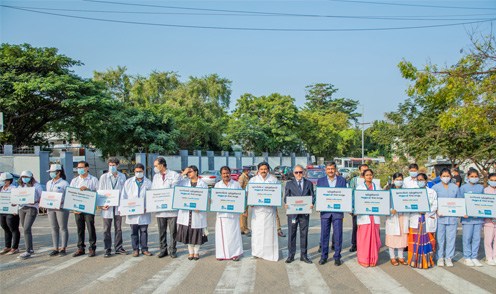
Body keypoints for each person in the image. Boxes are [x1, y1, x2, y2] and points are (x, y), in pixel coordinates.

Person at [249, 162, 280, 261]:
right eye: (261, 169)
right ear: (258, 170)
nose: (263, 171)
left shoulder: (273, 180)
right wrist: (250, 202)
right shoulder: (253, 180)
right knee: (257, 232)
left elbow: (279, 193)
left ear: (268, 170)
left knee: (269, 232)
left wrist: (274, 201)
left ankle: (269, 253)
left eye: (265, 169)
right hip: (257, 212)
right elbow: (248, 193)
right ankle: (256, 252)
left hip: (269, 211)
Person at [317, 161, 347, 266]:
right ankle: (324, 256)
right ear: (325, 169)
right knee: (324, 235)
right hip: (325, 212)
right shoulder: (320, 181)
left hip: (337, 212)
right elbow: (318, 195)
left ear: (335, 169)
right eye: (328, 168)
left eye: (332, 168)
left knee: (338, 235)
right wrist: (318, 205)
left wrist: (346, 206)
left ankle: (337, 256)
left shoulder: (342, 181)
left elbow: (345, 195)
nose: (330, 170)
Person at [176, 165, 209, 260]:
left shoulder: (202, 183)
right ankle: (190, 252)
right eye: (188, 172)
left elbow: (205, 197)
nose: (189, 173)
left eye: (190, 171)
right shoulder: (184, 182)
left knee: (197, 233)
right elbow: (175, 183)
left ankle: (196, 252)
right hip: (186, 212)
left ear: (196, 172)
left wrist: (201, 206)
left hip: (197, 212)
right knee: (188, 232)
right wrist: (183, 173)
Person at [284, 164, 314, 264]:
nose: (298, 174)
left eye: (300, 172)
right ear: (293, 174)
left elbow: (312, 196)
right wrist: (286, 203)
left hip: (304, 213)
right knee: (291, 234)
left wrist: (312, 204)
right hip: (293, 213)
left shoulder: (309, 183)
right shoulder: (289, 184)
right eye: (296, 172)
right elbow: (286, 197)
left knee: (304, 234)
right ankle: (291, 255)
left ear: (303, 172)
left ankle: (303, 255)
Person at [152, 157, 181, 259]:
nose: (155, 168)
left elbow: (176, 190)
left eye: (156, 166)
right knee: (161, 231)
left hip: (172, 209)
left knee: (173, 231)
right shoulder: (156, 177)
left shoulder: (174, 175)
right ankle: (163, 250)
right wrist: (153, 206)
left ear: (162, 165)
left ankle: (173, 250)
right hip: (160, 210)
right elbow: (153, 192)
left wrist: (173, 204)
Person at [122, 163, 153, 257]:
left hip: (144, 212)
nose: (138, 173)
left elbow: (151, 197)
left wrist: (146, 208)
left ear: (144, 171)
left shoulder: (148, 183)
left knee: (144, 231)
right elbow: (124, 196)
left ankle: (144, 249)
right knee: (133, 232)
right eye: (136, 172)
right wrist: (123, 209)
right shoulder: (128, 182)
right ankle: (135, 249)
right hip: (132, 212)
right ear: (134, 172)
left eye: (140, 171)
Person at [98, 157, 127, 258]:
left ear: (117, 166)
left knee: (118, 228)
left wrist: (124, 206)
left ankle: (118, 247)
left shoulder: (122, 176)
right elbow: (100, 191)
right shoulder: (104, 177)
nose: (112, 167)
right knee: (106, 229)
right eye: (110, 165)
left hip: (118, 206)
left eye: (113, 165)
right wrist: (101, 205)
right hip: (107, 207)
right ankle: (107, 249)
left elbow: (124, 192)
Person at [432, 168, 461, 267]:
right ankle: (439, 257)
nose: (446, 178)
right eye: (443, 176)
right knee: (440, 238)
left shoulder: (455, 188)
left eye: (447, 176)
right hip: (440, 218)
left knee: (451, 238)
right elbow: (433, 202)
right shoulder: (435, 188)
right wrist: (437, 211)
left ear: (450, 176)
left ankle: (449, 257)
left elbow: (459, 202)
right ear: (440, 177)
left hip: (452, 218)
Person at [408, 173, 437, 269]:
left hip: (427, 218)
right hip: (416, 218)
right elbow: (409, 204)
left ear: (425, 181)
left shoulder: (432, 192)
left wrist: (425, 212)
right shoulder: (413, 192)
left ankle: (427, 262)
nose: (420, 182)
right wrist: (417, 210)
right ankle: (414, 261)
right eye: (418, 180)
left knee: (429, 241)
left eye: (422, 180)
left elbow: (435, 206)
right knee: (415, 241)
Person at [214, 166, 244, 261]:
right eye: (223, 173)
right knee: (221, 235)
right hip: (222, 215)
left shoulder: (236, 185)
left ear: (230, 173)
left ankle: (235, 254)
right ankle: (221, 254)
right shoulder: (217, 185)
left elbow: (240, 198)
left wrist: (241, 207)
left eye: (227, 173)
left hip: (233, 215)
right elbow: (215, 199)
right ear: (221, 174)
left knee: (234, 235)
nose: (226, 175)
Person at [71, 161, 99, 257]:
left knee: (90, 227)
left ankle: (92, 248)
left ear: (87, 168)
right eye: (78, 167)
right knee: (80, 229)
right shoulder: (74, 181)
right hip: (77, 209)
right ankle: (80, 248)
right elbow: (71, 195)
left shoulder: (93, 180)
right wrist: (73, 208)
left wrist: (88, 191)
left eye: (81, 167)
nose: (79, 169)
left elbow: (97, 192)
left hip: (89, 208)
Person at [356, 169, 382, 267]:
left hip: (374, 218)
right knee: (363, 239)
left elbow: (381, 201)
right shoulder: (359, 188)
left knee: (374, 239)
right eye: (367, 175)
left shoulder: (378, 188)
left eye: (370, 175)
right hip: (364, 217)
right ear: (363, 176)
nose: (369, 177)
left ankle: (373, 260)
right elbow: (357, 202)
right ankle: (364, 259)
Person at [459, 169, 484, 267]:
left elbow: (483, 201)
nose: (474, 178)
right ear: (468, 177)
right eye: (472, 176)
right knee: (467, 238)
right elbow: (460, 202)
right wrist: (463, 213)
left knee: (477, 238)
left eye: (475, 177)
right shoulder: (463, 188)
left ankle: (474, 256)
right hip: (467, 218)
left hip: (478, 218)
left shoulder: (481, 188)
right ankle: (467, 257)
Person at [44, 164, 70, 257]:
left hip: (61, 208)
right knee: (54, 228)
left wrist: (61, 201)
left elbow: (68, 196)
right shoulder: (48, 183)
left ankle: (63, 248)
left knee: (62, 228)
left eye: (53, 172)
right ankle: (55, 248)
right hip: (51, 209)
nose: (51, 174)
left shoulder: (64, 183)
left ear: (58, 172)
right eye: (50, 172)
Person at [16, 170, 43, 259]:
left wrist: (34, 202)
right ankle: (30, 248)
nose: (24, 179)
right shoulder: (20, 187)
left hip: (31, 208)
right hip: (22, 208)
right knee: (25, 229)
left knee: (26, 228)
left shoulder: (36, 186)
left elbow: (42, 198)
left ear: (31, 177)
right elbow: (17, 197)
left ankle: (27, 251)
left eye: (26, 177)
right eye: (23, 177)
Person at [385, 173, 409, 266]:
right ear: (393, 180)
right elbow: (384, 203)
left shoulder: (405, 191)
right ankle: (392, 257)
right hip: (393, 216)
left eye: (400, 179)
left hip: (403, 216)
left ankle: (401, 257)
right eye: (397, 179)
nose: (399, 181)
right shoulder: (389, 191)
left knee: (402, 237)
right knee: (392, 237)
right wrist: (390, 210)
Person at [347, 163, 369, 253]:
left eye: (366, 170)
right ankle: (354, 244)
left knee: (368, 227)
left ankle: (367, 244)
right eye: (363, 170)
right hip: (357, 207)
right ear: (359, 171)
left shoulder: (372, 180)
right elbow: (351, 193)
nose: (365, 172)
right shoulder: (354, 180)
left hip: (369, 207)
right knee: (356, 226)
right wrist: (351, 207)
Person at [0, 172, 20, 255]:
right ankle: (7, 246)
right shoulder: (1, 188)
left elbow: (18, 200)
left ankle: (14, 247)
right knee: (5, 227)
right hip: (2, 211)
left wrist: (16, 210)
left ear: (8, 181)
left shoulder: (14, 189)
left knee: (13, 228)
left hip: (12, 212)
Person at [483, 173, 496, 266]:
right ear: (488, 180)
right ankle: (489, 257)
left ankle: (495, 256)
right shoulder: (485, 191)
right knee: (488, 239)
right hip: (489, 219)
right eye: (492, 180)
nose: (494, 182)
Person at [238, 166, 251, 236]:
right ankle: (244, 229)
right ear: (247, 170)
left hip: (246, 197)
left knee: (244, 213)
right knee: (244, 213)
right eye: (249, 170)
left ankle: (243, 228)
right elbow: (239, 188)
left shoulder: (246, 177)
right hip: (243, 197)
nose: (249, 171)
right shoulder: (242, 177)